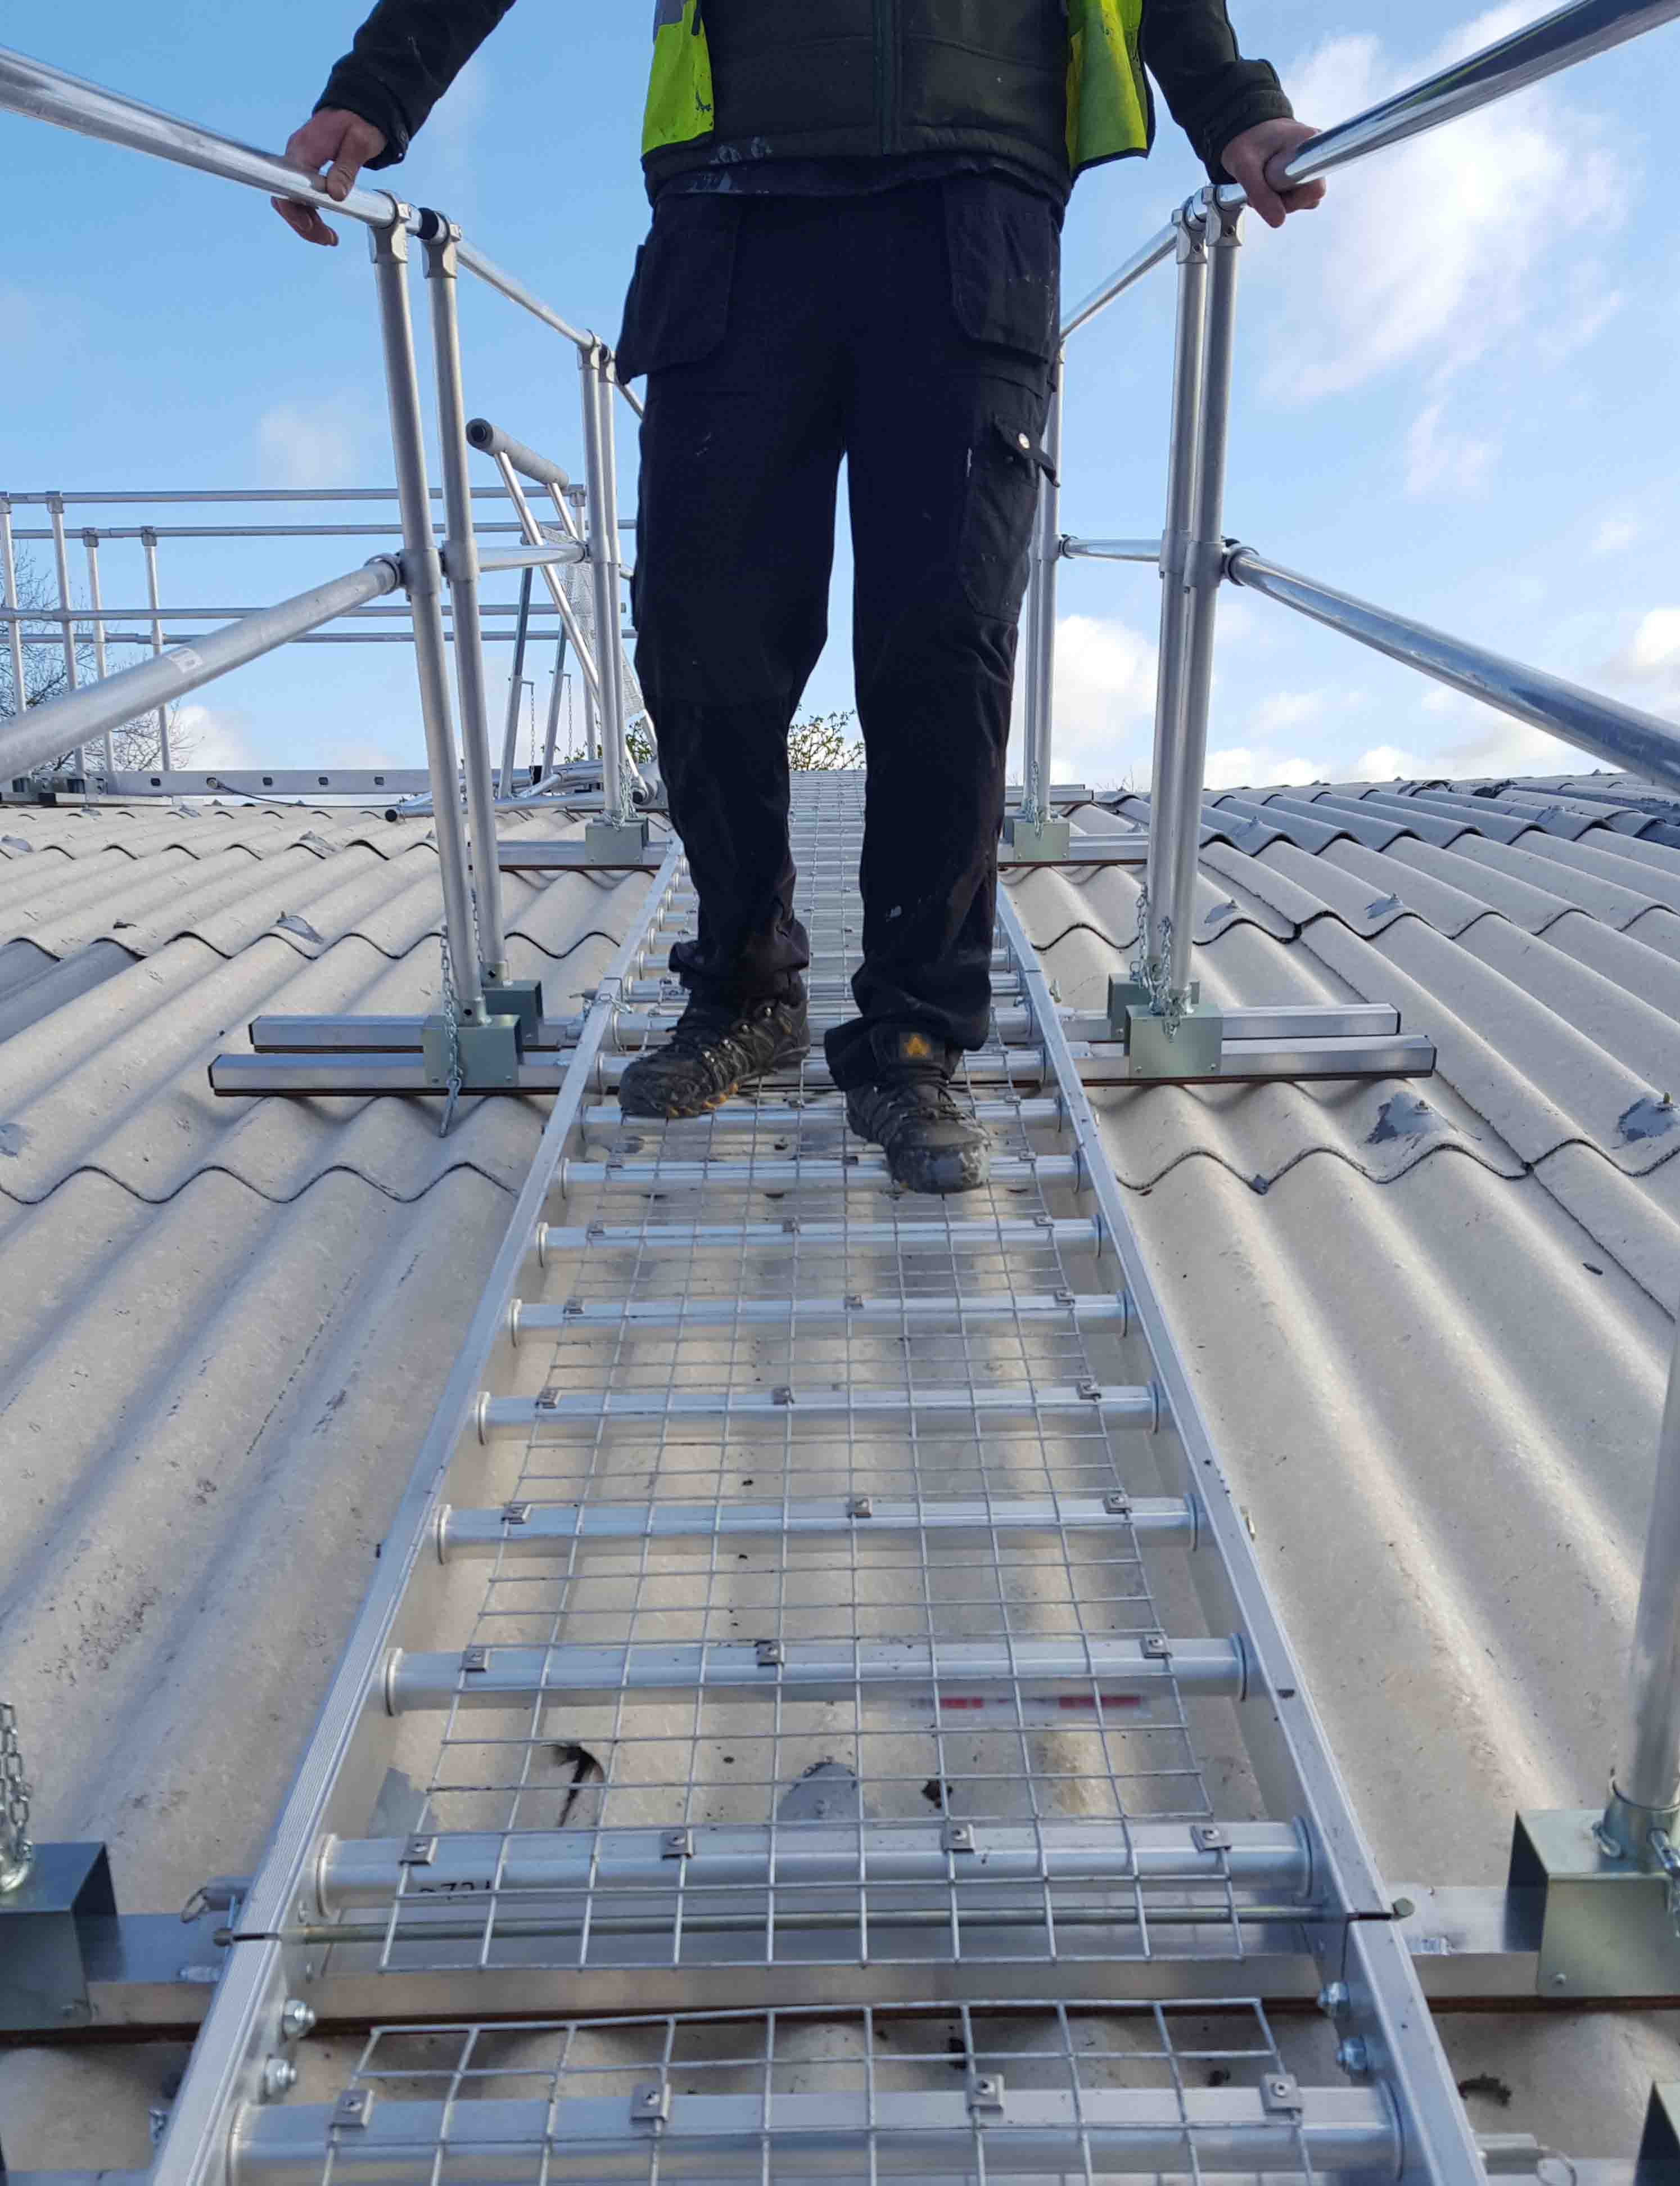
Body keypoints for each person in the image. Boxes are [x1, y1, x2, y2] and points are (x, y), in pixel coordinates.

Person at [275, 2, 1324, 1193]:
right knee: (697, 632)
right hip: (733, 202)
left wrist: (1232, 107)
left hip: (975, 195)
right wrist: (377, 89)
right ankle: (744, 986)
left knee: (945, 640)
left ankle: (914, 1034)